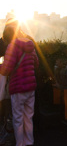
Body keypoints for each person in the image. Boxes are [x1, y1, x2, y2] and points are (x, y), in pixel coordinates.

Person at [0, 18, 39, 146]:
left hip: (17, 88)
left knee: (17, 118)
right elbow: (36, 64)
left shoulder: (12, 46)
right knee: (28, 116)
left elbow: (6, 70)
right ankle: (29, 141)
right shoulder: (30, 45)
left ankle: (20, 144)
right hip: (31, 87)